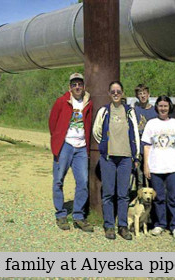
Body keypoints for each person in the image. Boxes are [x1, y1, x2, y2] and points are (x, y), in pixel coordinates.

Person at [93, 81, 140, 240]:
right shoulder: (104, 111)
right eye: (112, 91)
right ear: (109, 93)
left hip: (126, 158)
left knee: (123, 194)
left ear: (122, 92)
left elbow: (135, 134)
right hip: (108, 158)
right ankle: (108, 226)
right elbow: (96, 131)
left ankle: (122, 226)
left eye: (118, 91)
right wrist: (104, 145)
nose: (115, 93)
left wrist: (136, 156)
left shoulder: (129, 112)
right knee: (108, 193)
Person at [48, 72, 94, 232]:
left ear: (83, 86)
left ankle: (78, 216)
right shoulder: (62, 102)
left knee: (82, 182)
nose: (77, 87)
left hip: (81, 148)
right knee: (58, 180)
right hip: (65, 145)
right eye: (74, 84)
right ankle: (61, 214)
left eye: (79, 84)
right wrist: (58, 140)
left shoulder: (88, 103)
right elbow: (52, 122)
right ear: (70, 87)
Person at [141, 95, 175, 240]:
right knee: (158, 198)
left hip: (173, 167)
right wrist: (146, 166)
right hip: (156, 167)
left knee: (173, 197)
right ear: (157, 107)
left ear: (169, 107)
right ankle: (159, 224)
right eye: (160, 106)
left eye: (165, 106)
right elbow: (147, 147)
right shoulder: (151, 124)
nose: (163, 108)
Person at [133, 84, 157, 189]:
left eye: (144, 93)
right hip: (139, 148)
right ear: (137, 96)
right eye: (140, 94)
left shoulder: (155, 111)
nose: (143, 96)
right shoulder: (134, 110)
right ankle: (140, 202)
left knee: (152, 177)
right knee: (139, 178)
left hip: (151, 148)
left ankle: (153, 202)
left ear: (148, 95)